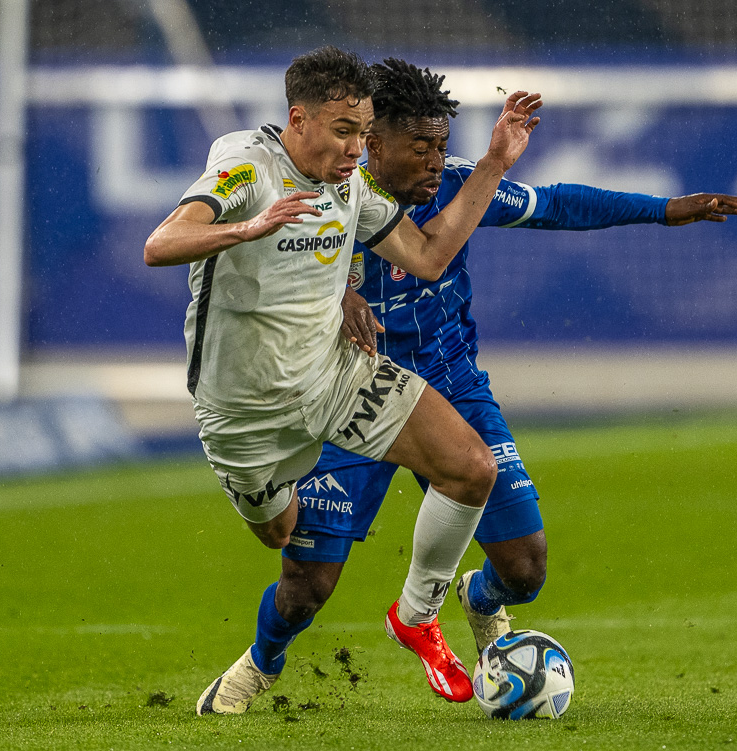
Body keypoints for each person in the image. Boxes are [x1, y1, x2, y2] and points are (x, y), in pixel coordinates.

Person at [223, 57, 737, 710]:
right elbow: (254, 272)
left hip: (451, 384)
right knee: (308, 586)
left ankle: (475, 599)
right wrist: (329, 299)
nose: (435, 162)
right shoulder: (324, 199)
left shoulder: (458, 189)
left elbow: (555, 204)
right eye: (420, 148)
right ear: (373, 144)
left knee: (525, 569)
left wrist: (665, 210)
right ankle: (261, 663)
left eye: (441, 145)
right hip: (348, 394)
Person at [143, 47, 541, 714]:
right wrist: (251, 226)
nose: (356, 148)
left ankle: (416, 615)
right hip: (242, 413)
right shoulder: (246, 167)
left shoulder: (352, 188)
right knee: (286, 548)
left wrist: (496, 163)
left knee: (471, 468)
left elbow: (428, 256)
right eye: (343, 131)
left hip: (333, 379)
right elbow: (161, 243)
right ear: (298, 119)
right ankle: (260, 661)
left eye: (363, 132)